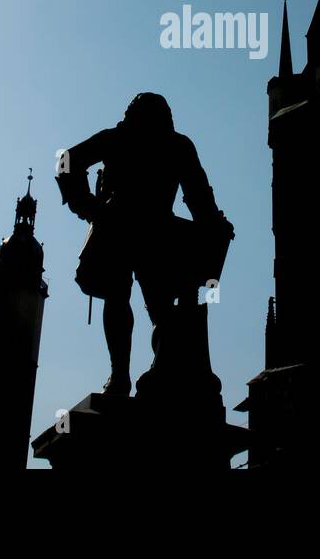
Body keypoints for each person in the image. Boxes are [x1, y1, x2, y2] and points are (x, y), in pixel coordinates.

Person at [55, 92, 233, 397]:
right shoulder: (168, 144)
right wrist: (89, 207)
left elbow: (199, 195)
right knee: (139, 303)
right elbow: (199, 197)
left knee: (149, 306)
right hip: (134, 229)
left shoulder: (136, 140)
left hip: (142, 230)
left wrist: (88, 207)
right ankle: (127, 374)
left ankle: (143, 373)